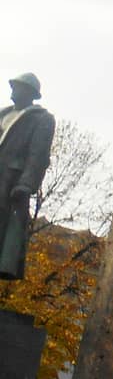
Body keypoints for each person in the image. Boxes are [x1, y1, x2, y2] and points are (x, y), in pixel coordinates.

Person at [0, 73, 54, 281]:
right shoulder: (3, 114)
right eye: (13, 85)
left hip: (10, 184)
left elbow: (38, 155)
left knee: (4, 231)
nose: (13, 89)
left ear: (30, 93)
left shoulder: (42, 119)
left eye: (19, 86)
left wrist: (26, 183)